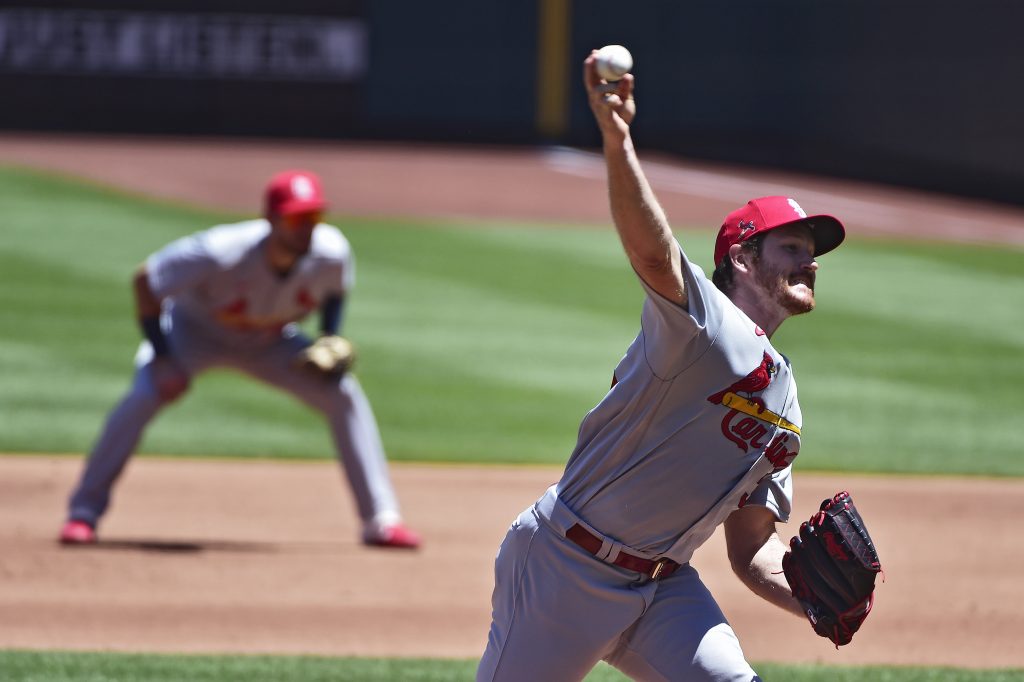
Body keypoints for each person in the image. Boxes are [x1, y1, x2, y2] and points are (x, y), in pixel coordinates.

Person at [476, 52, 847, 681]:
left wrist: (813, 600)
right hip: (564, 571)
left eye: (812, 254)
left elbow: (752, 546)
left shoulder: (784, 402)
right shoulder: (702, 326)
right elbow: (653, 254)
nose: (808, 262)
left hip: (665, 589)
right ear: (742, 258)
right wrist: (618, 139)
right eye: (791, 247)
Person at [59, 169, 421, 550]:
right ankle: (83, 513)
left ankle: (381, 520)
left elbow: (334, 291)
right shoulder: (220, 251)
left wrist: (328, 337)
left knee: (342, 394)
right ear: (271, 219)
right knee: (144, 395)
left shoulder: (331, 251)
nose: (306, 228)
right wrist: (164, 358)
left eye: (312, 218)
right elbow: (146, 282)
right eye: (297, 218)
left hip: (269, 341)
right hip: (192, 335)